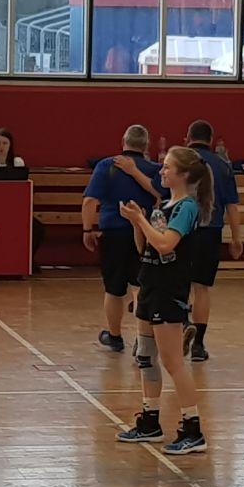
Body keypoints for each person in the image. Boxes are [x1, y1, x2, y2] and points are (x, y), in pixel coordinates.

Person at [115, 146, 213, 455]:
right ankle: (150, 421)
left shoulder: (187, 207)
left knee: (173, 361)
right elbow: (144, 246)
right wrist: (137, 222)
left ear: (183, 174)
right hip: (150, 284)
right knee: (146, 356)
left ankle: (193, 429)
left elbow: (166, 244)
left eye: (168, 167)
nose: (162, 171)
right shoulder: (164, 206)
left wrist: (142, 221)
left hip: (169, 290)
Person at [81, 125, 163, 353]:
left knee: (113, 289)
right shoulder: (156, 170)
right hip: (145, 232)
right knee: (140, 286)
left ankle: (115, 336)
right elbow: (163, 195)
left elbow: (89, 201)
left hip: (113, 233)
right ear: (146, 145)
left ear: (123, 141)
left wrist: (87, 230)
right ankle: (142, 338)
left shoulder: (106, 165)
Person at [184, 120, 243, 362]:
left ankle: (180, 325)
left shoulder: (180, 160)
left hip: (182, 228)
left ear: (188, 137)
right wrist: (236, 238)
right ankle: (198, 344)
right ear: (211, 140)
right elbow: (232, 205)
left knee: (178, 283)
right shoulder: (223, 165)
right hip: (211, 230)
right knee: (202, 288)